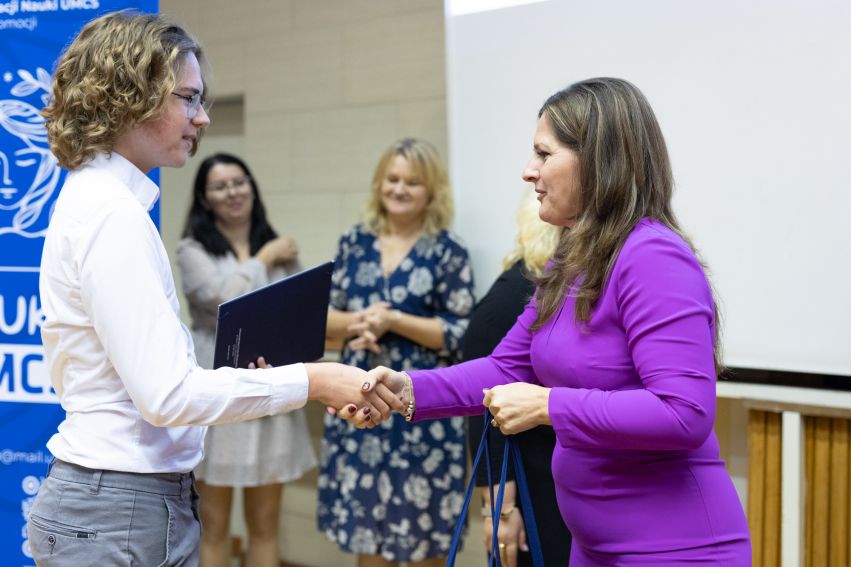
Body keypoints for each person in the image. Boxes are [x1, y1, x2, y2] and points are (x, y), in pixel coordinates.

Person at [26, 11, 396, 566]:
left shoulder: (105, 202)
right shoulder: (111, 213)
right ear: (133, 93)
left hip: (126, 501)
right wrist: (316, 380)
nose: (201, 118)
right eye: (188, 98)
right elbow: (167, 397)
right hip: (118, 506)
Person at [354, 78, 752, 565]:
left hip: (674, 547)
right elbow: (505, 368)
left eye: (544, 154)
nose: (528, 171)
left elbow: (683, 412)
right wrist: (404, 390)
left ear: (598, 160)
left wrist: (549, 405)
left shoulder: (652, 256)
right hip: (592, 544)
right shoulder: (572, 257)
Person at [318, 137, 476, 567]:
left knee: (427, 535)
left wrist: (394, 321)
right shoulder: (355, 242)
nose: (400, 189)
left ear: (431, 191)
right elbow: (323, 319)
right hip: (361, 401)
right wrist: (359, 322)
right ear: (378, 184)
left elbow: (462, 332)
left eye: (412, 182)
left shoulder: (448, 250)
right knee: (369, 536)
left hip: (422, 408)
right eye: (392, 179)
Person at [176, 153, 316, 567]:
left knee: (266, 524)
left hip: (272, 389)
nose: (233, 192)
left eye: (240, 182)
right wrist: (265, 258)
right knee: (214, 525)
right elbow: (224, 299)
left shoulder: (276, 246)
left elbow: (304, 306)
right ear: (204, 199)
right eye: (220, 186)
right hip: (218, 393)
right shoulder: (192, 250)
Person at [463, 190, 569, 567]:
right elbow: (485, 400)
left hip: (558, 472)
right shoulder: (518, 293)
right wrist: (500, 510)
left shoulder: (557, 285)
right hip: (531, 480)